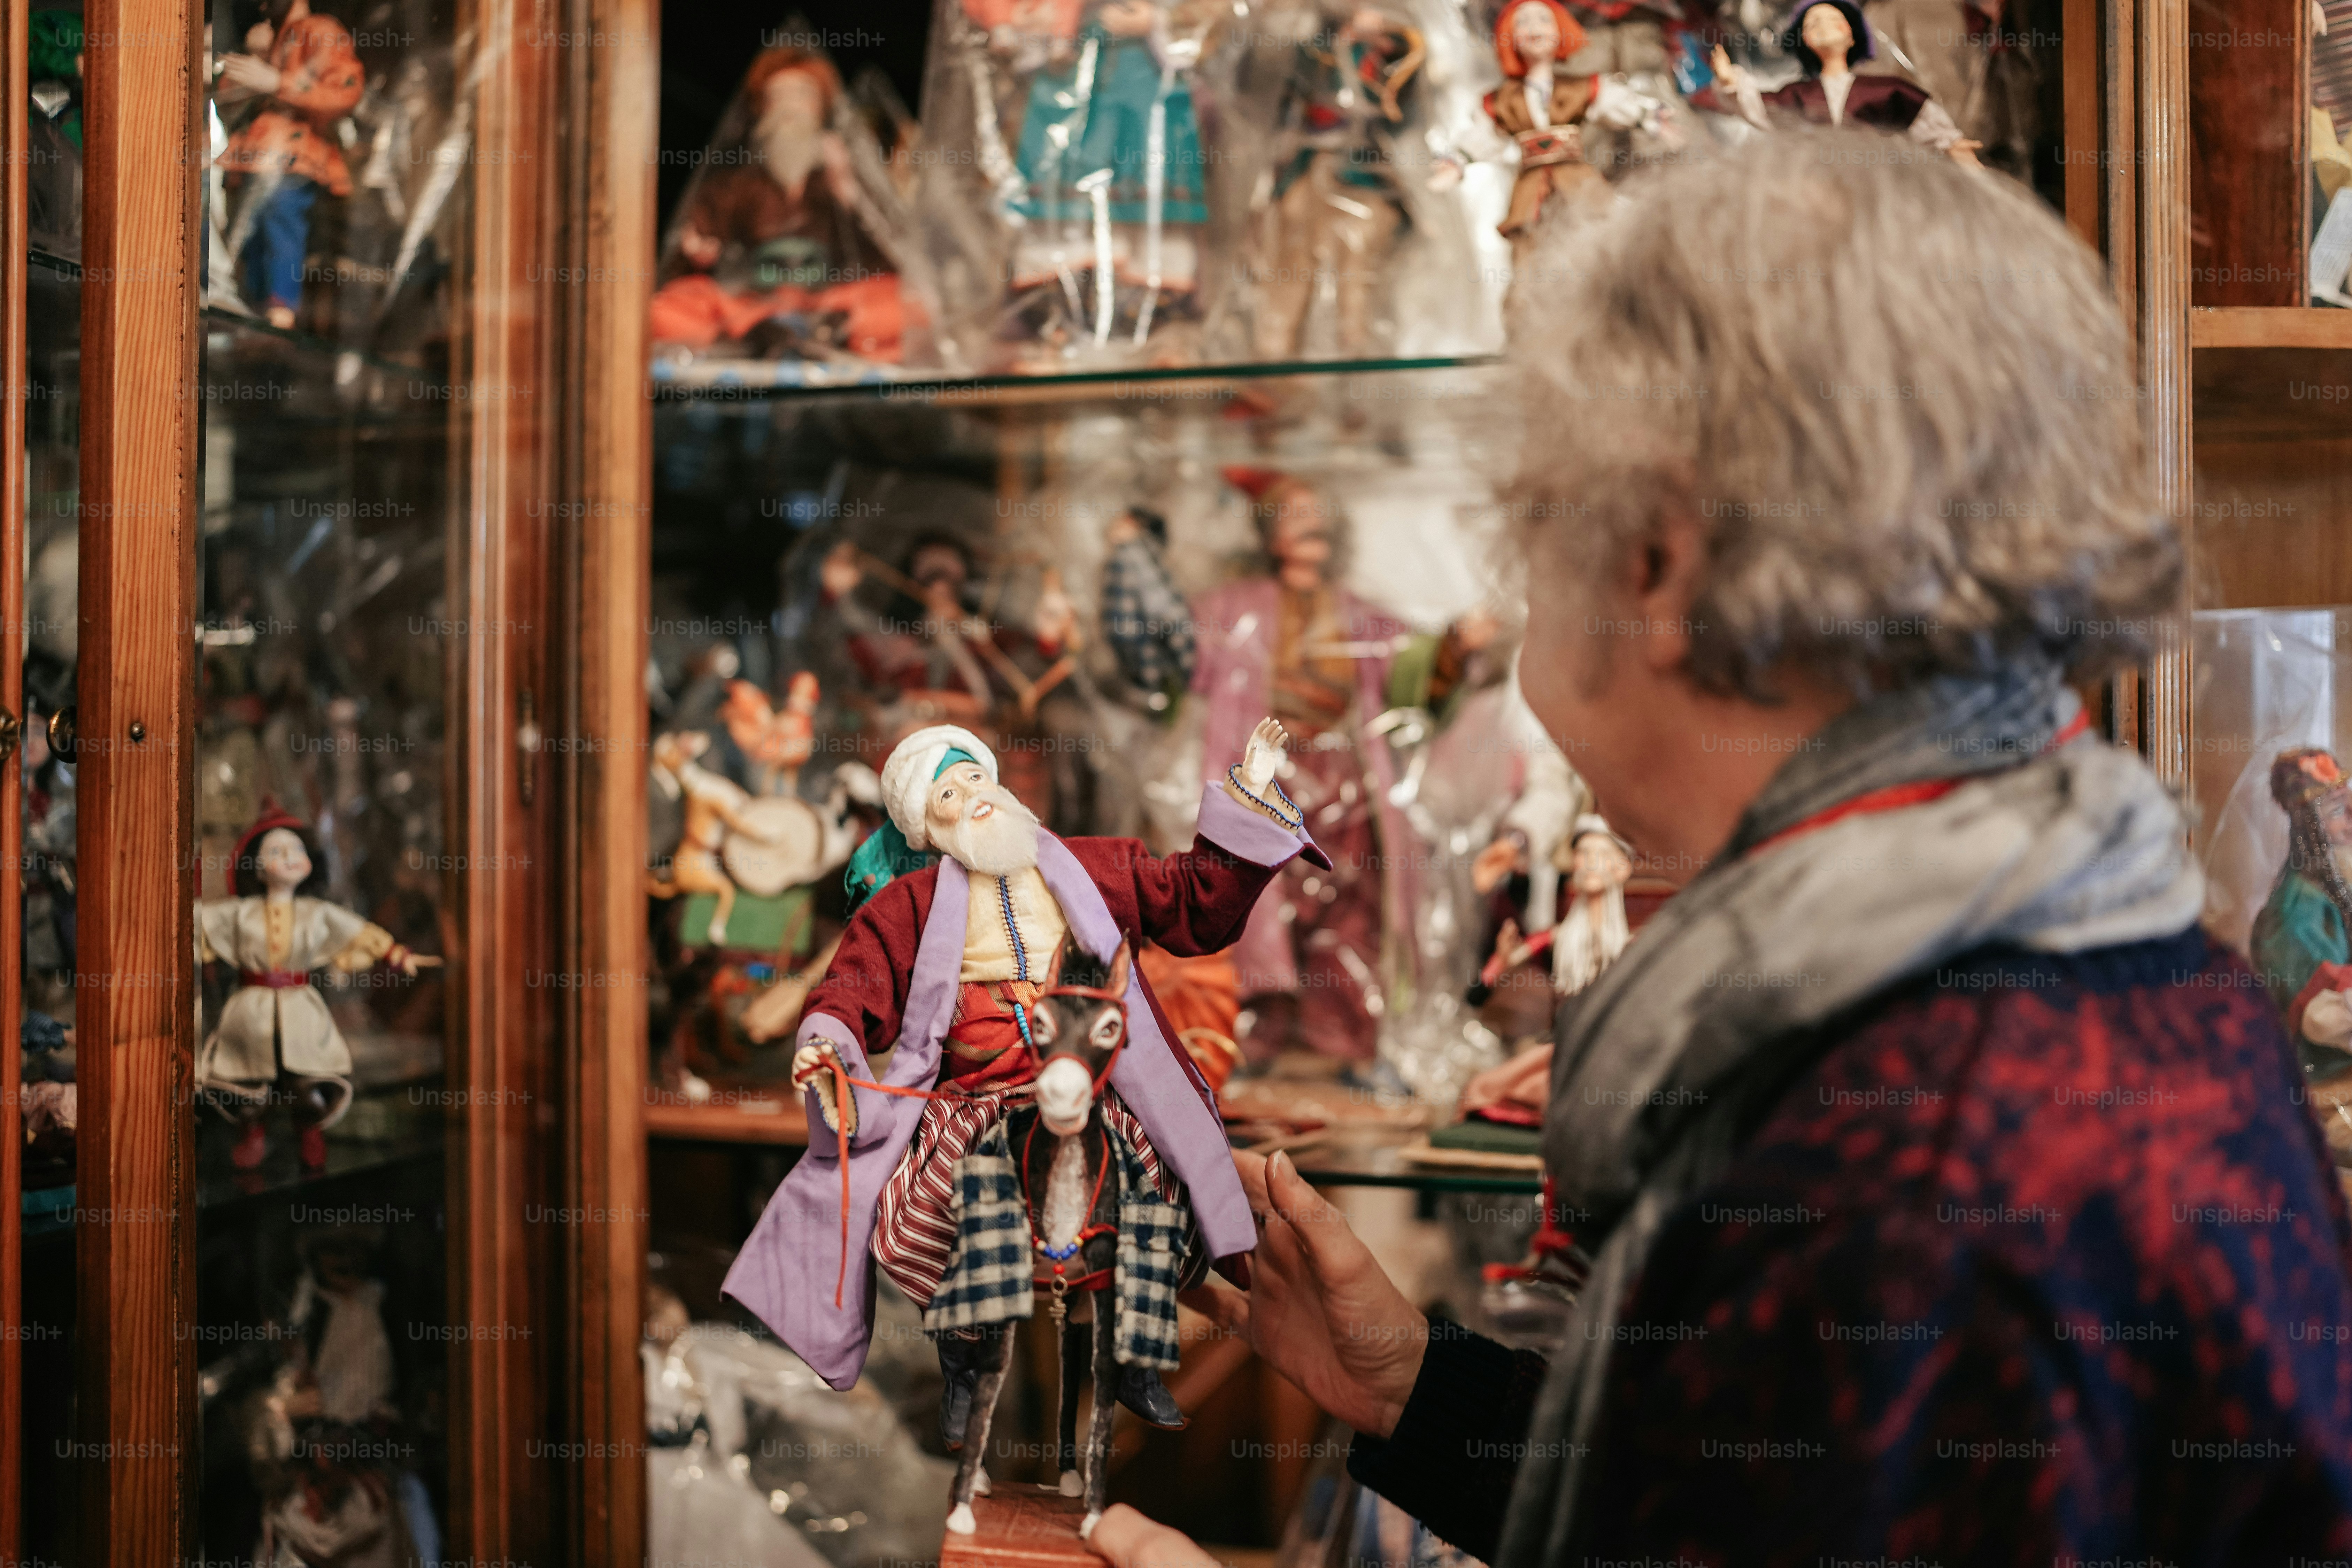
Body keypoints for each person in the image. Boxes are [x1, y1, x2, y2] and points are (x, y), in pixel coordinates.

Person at [1090, 130, 2352, 1564]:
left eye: (1541, 522)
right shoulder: (2080, 967)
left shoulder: (1907, 1150)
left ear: (1657, 561)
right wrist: (1431, 1401)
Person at [718, 720, 1326, 1435]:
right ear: (925, 827)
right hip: (976, 1099)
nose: (971, 797)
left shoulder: (1096, 866)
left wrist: (1248, 791)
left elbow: (1194, 900)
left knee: (1157, 1189)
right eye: (948, 792)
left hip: (1098, 1080)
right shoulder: (906, 910)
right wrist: (826, 1045)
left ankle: (1133, 1358)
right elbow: (851, 992)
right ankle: (964, 1359)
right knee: (929, 1212)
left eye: (975, 778)